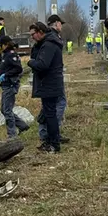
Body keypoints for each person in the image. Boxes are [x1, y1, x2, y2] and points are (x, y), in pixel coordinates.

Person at [28, 21, 64, 153]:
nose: (32, 37)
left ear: (40, 32)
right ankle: (49, 141)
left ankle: (54, 143)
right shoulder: (46, 43)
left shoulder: (48, 45)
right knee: (48, 114)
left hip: (49, 84)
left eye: (33, 34)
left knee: (50, 115)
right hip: (49, 84)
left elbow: (42, 65)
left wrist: (30, 62)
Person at [37, 14, 69, 146]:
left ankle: (50, 133)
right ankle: (51, 133)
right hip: (52, 79)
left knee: (50, 106)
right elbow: (44, 62)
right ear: (56, 23)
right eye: (60, 23)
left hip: (52, 78)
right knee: (57, 105)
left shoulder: (50, 37)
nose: (61, 25)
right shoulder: (52, 38)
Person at [0, 35, 30, 139]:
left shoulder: (11, 55)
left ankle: (12, 135)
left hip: (10, 85)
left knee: (7, 111)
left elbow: (18, 69)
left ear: (5, 44)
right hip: (6, 85)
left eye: (1, 45)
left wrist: (6, 75)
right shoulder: (6, 54)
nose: (0, 48)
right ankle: (22, 126)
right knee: (4, 109)